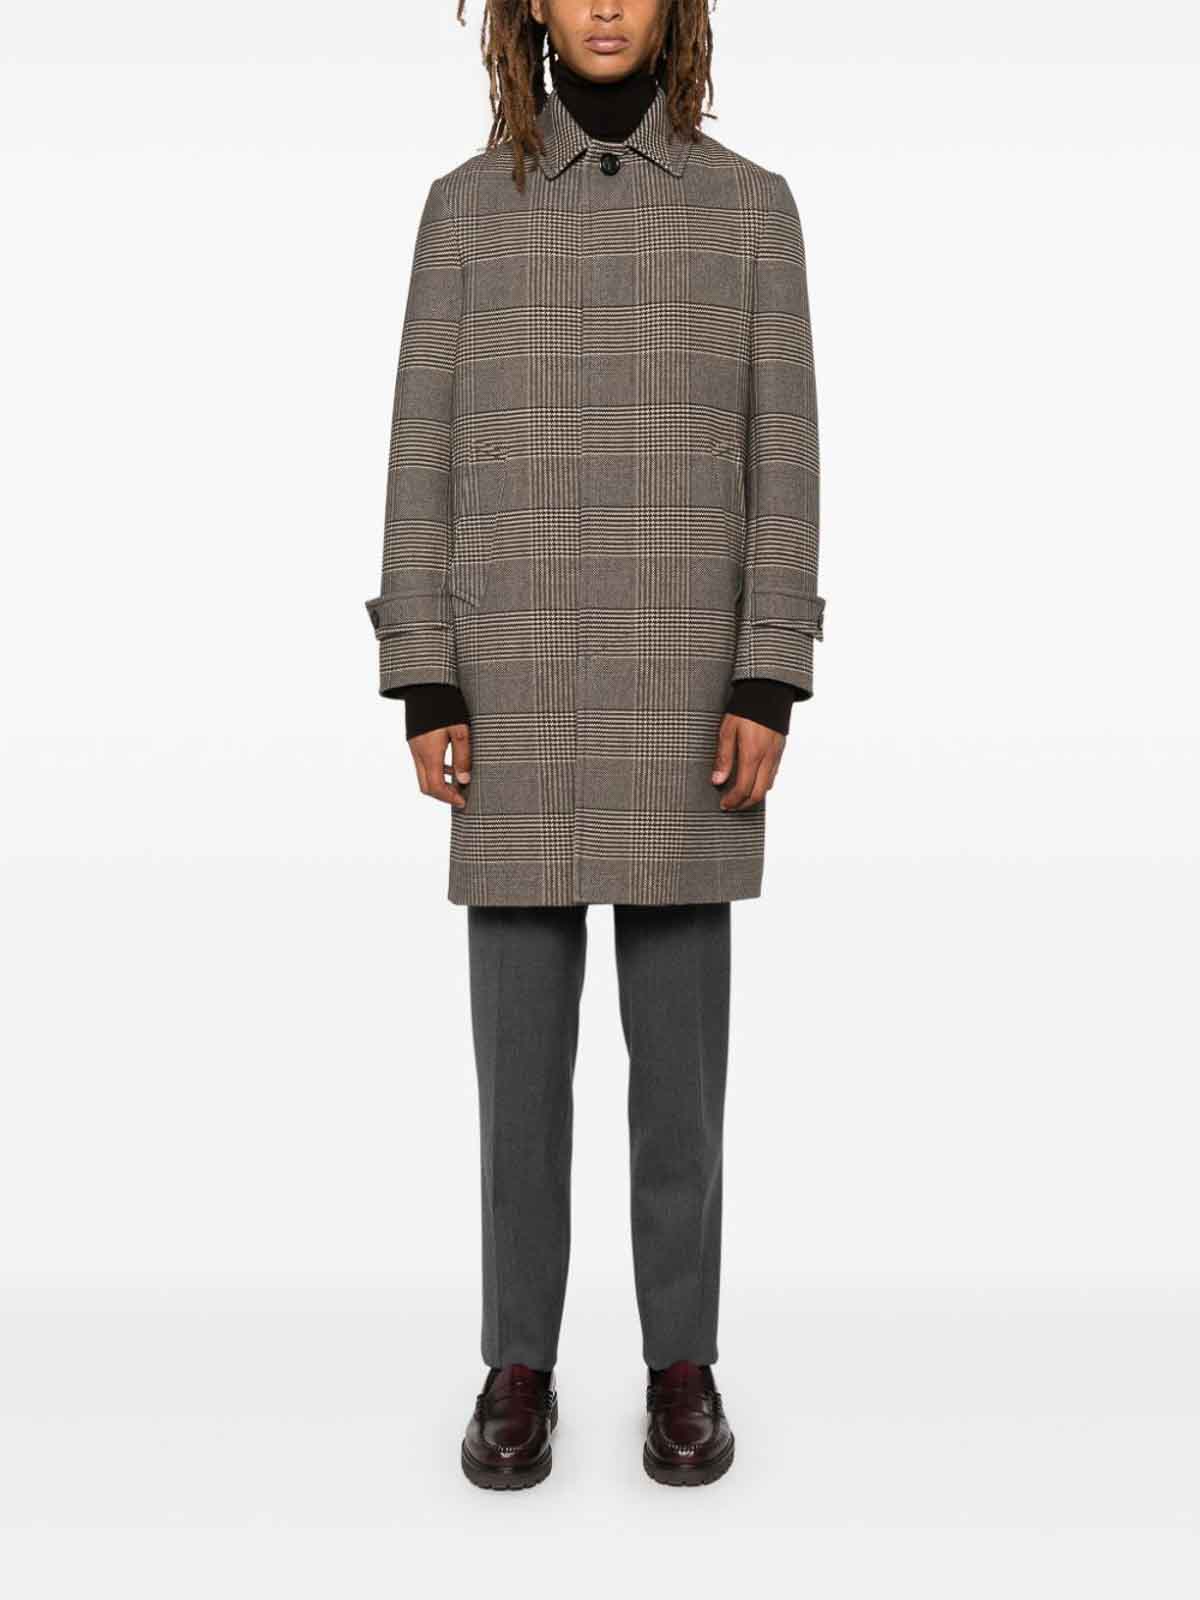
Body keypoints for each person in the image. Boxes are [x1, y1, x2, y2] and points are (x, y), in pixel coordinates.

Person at [364, 0, 824, 1490]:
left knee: (681, 1072)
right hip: (511, 684)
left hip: (692, 687)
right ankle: (519, 1361)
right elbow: (421, 449)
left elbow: (785, 454)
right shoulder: (464, 212)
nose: (607, 4)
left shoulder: (751, 210)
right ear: (532, 11)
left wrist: (769, 672)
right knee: (519, 1072)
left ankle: (681, 1360)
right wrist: (426, 678)